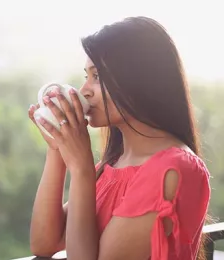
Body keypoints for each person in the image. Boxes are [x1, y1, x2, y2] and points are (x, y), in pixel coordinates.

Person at [28, 16, 211, 260]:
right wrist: (57, 148)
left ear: (140, 80)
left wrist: (81, 169)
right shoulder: (114, 164)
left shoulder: (171, 168)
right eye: (86, 76)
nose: (85, 90)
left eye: (98, 77)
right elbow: (44, 242)